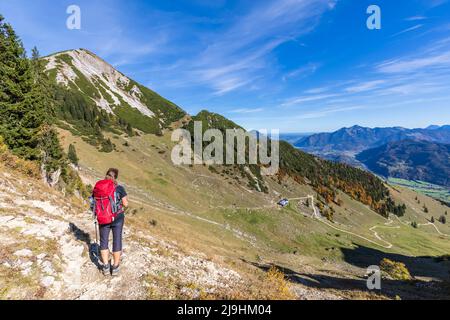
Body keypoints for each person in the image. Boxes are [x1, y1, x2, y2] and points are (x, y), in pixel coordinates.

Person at [97, 168, 128, 276]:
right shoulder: (119, 188)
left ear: (106, 175)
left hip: (103, 217)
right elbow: (125, 204)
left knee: (104, 241)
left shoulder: (99, 186)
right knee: (117, 240)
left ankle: (105, 266)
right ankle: (115, 267)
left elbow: (93, 200)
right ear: (116, 177)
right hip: (117, 217)